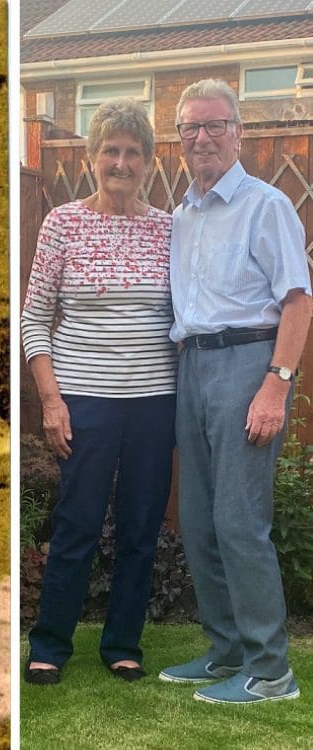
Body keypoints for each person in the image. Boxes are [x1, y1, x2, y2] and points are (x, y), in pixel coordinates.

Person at [157, 78, 312, 704]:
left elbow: (297, 301)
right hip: (192, 367)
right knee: (198, 521)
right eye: (191, 127)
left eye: (215, 125)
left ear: (238, 132)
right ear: (180, 137)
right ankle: (226, 651)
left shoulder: (265, 205)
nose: (203, 137)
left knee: (240, 520)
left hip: (249, 365)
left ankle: (271, 671)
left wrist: (276, 385)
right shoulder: (181, 216)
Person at [20, 97, 176, 685]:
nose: (121, 162)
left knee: (140, 527)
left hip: (155, 404)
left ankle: (122, 643)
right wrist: (52, 400)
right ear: (91, 157)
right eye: (110, 150)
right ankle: (50, 644)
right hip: (84, 402)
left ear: (149, 162)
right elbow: (35, 319)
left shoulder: (169, 229)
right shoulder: (62, 224)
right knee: (77, 524)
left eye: (133, 152)